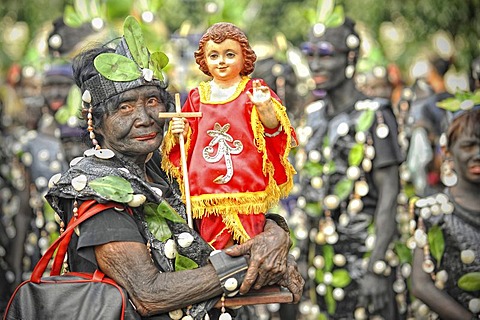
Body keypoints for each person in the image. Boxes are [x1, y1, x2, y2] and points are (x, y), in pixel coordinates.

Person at [45, 16, 303, 320]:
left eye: (152, 100)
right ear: (97, 120)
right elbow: (149, 293)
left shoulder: (168, 164)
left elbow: (223, 210)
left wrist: (274, 234)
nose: (144, 117)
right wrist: (250, 261)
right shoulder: (96, 188)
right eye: (125, 107)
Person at [293, 16, 403, 319]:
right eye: (310, 54)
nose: (315, 65)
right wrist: (302, 256)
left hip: (365, 258)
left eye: (326, 55)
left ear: (350, 57)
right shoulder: (313, 117)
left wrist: (377, 268)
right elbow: (308, 195)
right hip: (323, 264)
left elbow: (390, 195)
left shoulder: (375, 114)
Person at [162, 22, 297, 250]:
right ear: (204, 60)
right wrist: (179, 131)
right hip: (208, 194)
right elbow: (186, 141)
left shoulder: (254, 91)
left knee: (252, 249)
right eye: (214, 55)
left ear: (244, 57)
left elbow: (277, 132)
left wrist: (265, 110)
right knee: (212, 251)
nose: (221, 61)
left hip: (247, 190)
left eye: (229, 54)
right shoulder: (197, 96)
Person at [410, 105, 479, 320]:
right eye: (469, 146)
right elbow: (420, 285)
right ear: (448, 151)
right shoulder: (433, 212)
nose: (478, 154)